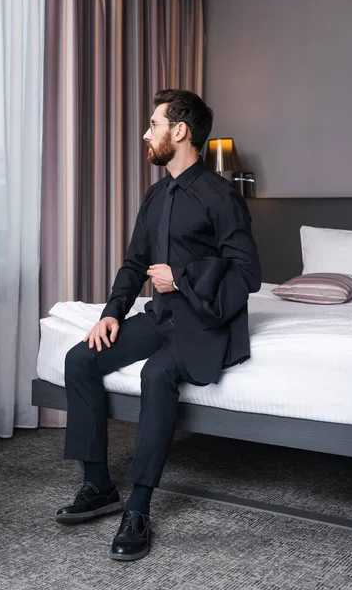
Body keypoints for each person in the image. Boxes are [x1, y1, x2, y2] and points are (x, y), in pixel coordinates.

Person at [56, 89, 261, 561]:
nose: (146, 134)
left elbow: (248, 273)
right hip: (160, 317)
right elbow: (134, 263)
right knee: (81, 358)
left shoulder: (221, 197)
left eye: (153, 124)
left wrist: (182, 276)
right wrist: (110, 313)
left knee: (156, 374)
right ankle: (98, 485)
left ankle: (139, 509)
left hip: (204, 323)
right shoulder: (156, 194)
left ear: (180, 131)